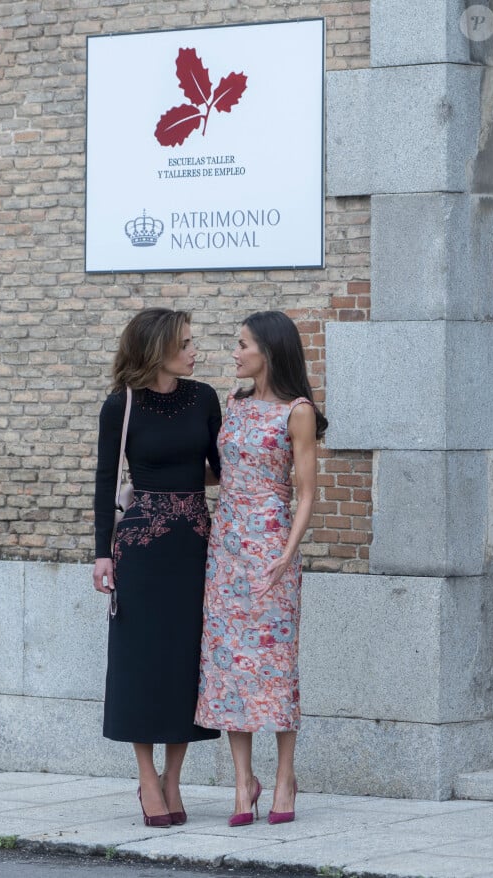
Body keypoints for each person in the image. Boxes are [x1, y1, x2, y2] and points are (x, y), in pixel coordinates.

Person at [195, 310, 328, 827]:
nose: (235, 352)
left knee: (275, 666)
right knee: (230, 664)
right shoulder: (235, 403)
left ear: (268, 351)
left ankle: (284, 778)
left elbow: (307, 491)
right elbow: (225, 472)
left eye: (242, 344)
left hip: (272, 548)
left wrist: (288, 552)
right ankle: (241, 783)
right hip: (226, 549)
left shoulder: (298, 411)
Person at [93, 308, 221, 828]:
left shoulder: (206, 397)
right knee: (141, 660)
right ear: (157, 349)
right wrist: (102, 553)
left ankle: (174, 778)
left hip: (194, 543)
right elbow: (105, 482)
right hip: (141, 547)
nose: (195, 351)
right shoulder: (120, 405)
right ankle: (147, 779)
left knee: (184, 661)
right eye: (186, 343)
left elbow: (222, 465)